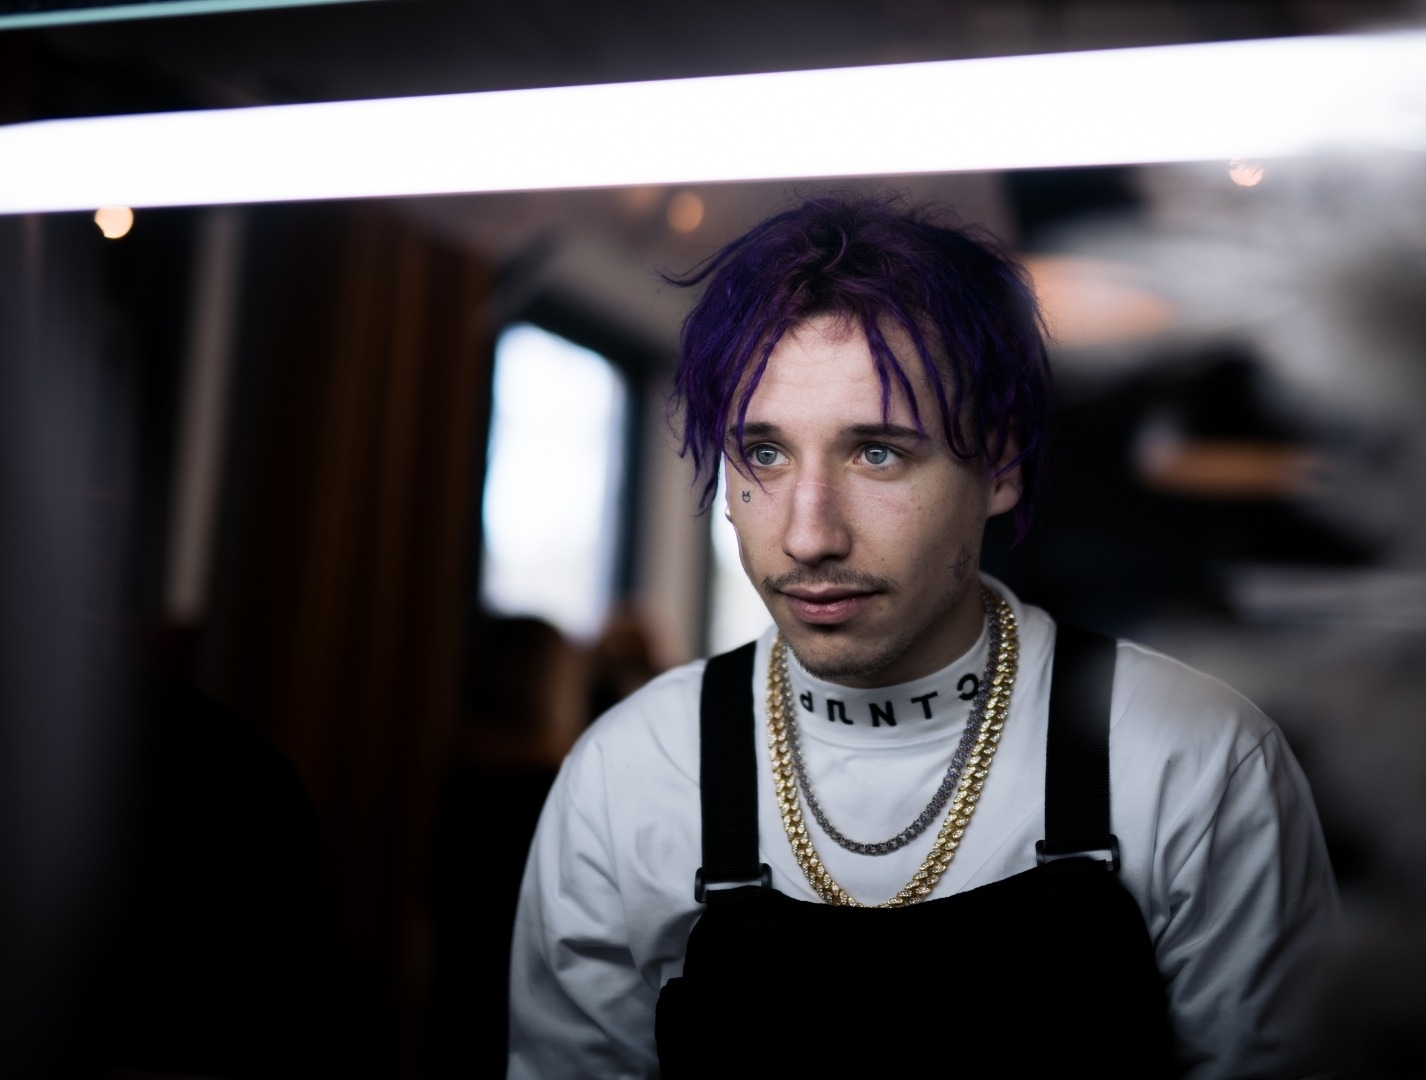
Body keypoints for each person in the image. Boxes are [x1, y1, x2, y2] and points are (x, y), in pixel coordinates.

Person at [507, 196, 1339, 1078]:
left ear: (1002, 467)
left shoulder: (1193, 759)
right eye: (765, 454)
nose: (809, 536)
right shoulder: (632, 774)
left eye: (877, 453)